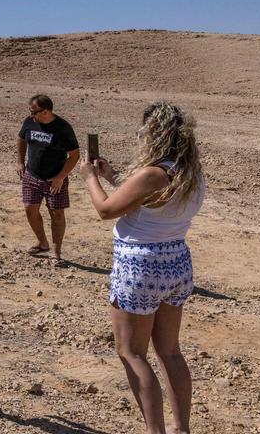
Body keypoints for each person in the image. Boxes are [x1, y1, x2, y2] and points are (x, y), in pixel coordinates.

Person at [78, 101, 205, 434]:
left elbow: (106, 210)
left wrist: (91, 178)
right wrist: (115, 176)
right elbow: (154, 202)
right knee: (170, 352)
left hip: (141, 265)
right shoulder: (189, 172)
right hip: (176, 260)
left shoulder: (151, 173)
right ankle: (181, 429)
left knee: (132, 353)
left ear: (155, 134)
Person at [16, 94, 79, 265]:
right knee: (30, 209)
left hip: (55, 179)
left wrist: (60, 177)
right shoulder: (30, 122)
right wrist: (20, 162)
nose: (30, 114)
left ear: (46, 112)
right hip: (32, 175)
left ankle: (56, 252)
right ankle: (42, 242)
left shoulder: (63, 128)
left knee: (56, 213)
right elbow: (21, 139)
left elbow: (74, 155)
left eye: (33, 111)